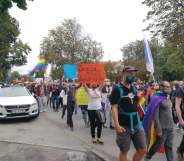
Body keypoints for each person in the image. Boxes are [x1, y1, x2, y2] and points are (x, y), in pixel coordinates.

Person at [110, 66, 146, 161]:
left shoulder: (134, 88)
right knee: (124, 150)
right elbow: (114, 107)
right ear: (123, 74)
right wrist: (117, 125)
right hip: (123, 125)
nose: (132, 75)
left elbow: (135, 103)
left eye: (133, 73)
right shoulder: (117, 89)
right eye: (129, 73)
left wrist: (141, 96)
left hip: (136, 123)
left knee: (142, 149)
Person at [143, 81, 174, 161]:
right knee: (158, 144)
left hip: (170, 127)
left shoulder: (167, 97)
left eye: (169, 86)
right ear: (161, 87)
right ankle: (148, 156)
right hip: (162, 128)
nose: (169, 88)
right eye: (167, 87)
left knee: (169, 145)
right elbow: (155, 116)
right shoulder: (156, 98)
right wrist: (158, 129)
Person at [175, 82, 184, 160]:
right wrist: (180, 119)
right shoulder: (181, 89)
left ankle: (180, 149)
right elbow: (177, 105)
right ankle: (180, 150)